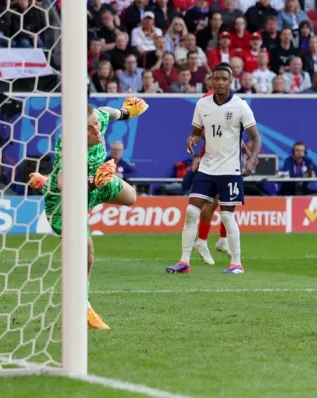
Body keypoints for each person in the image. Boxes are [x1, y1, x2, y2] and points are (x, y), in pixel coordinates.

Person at [28, 98, 149, 330]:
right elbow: (65, 185)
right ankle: (82, 307)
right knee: (87, 253)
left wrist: (127, 112)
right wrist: (93, 181)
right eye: (88, 128)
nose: (96, 130)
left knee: (131, 197)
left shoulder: (98, 119)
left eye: (95, 124)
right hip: (65, 203)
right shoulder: (70, 145)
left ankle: (45, 182)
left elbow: (106, 112)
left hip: (95, 185)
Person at [166, 63, 262, 275]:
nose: (219, 82)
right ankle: (183, 262)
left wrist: (250, 160)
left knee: (227, 216)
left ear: (230, 82)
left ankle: (236, 264)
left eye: (223, 79)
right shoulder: (202, 105)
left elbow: (256, 138)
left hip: (230, 170)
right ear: (211, 81)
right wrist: (192, 139)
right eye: (215, 79)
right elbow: (197, 132)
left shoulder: (240, 106)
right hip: (207, 167)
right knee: (191, 211)